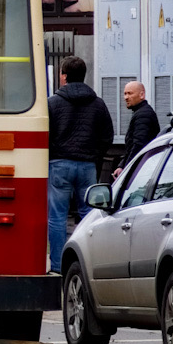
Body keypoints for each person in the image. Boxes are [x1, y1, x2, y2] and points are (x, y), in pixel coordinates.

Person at [47, 56, 114, 273]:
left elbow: (44, 134)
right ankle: (86, 265)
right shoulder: (98, 104)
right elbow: (107, 136)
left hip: (59, 165)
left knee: (57, 216)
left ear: (64, 76)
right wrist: (95, 157)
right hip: (87, 166)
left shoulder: (52, 103)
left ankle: (58, 266)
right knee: (89, 216)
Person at [112, 81, 160, 178]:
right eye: (125, 93)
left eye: (130, 93)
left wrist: (126, 169)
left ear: (141, 95)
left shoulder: (143, 114)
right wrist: (122, 165)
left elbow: (138, 145)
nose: (126, 97)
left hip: (141, 169)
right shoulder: (141, 113)